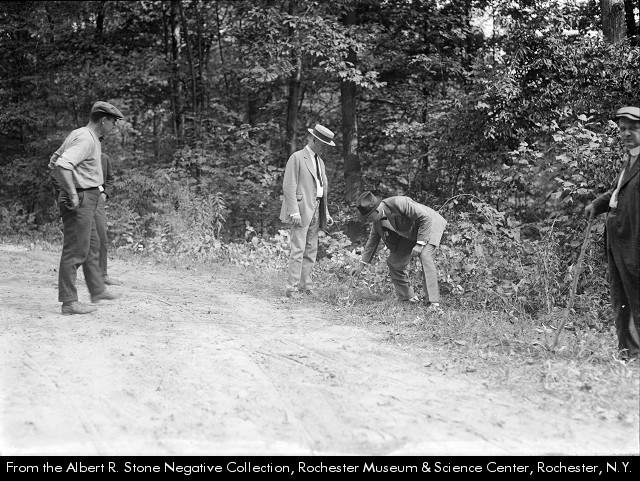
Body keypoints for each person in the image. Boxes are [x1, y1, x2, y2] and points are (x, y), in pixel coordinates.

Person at [51, 101, 124, 315]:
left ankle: (97, 290)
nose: (114, 126)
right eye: (113, 122)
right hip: (81, 197)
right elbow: (62, 165)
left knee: (92, 245)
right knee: (75, 250)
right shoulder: (86, 139)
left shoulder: (81, 134)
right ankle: (69, 302)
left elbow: (54, 159)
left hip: (88, 196)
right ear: (104, 120)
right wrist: (72, 193)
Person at [585, 106, 639, 361]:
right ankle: (629, 353)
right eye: (623, 129)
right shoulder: (631, 159)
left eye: (633, 128)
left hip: (635, 240)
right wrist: (598, 204)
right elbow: (620, 191)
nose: (627, 133)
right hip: (619, 238)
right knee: (622, 295)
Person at [350, 191, 447, 313]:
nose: (369, 220)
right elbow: (372, 243)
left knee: (425, 255)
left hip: (430, 225)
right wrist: (360, 267)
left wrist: (420, 244)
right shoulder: (377, 222)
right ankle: (408, 298)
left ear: (376, 211)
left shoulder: (399, 203)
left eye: (369, 217)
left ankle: (433, 303)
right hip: (411, 233)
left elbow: (425, 218)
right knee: (394, 262)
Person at [279, 124, 335, 298]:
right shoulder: (297, 157)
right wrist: (294, 211)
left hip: (317, 208)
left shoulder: (320, 161)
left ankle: (306, 285)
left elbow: (321, 189)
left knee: (311, 249)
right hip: (301, 210)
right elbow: (289, 185)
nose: (325, 147)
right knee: (298, 250)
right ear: (315, 139)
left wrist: (326, 212)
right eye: (324, 144)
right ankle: (291, 288)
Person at [95, 152, 123, 286]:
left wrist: (105, 194)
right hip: (81, 199)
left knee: (102, 236)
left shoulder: (104, 158)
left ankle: (103, 275)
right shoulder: (79, 155)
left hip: (98, 200)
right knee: (78, 238)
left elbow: (110, 179)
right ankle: (68, 277)